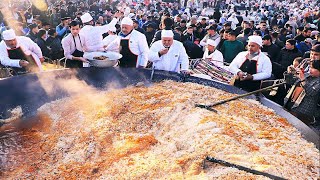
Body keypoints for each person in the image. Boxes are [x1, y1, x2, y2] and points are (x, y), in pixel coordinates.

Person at [284, 60, 320, 125]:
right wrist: (290, 73)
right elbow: (289, 82)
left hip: (303, 112)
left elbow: (311, 92)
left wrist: (303, 79)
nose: (311, 69)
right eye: (310, 67)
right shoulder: (307, 75)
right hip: (290, 104)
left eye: (314, 68)